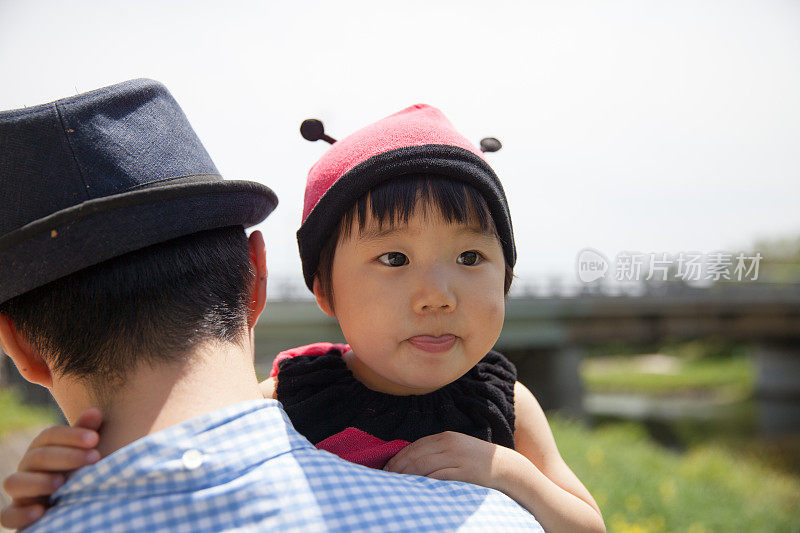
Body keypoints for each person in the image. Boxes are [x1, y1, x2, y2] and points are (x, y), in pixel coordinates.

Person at [5, 102, 603, 531]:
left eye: (471, 257)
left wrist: (508, 474)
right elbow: (201, 455)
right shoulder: (295, 393)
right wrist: (77, 481)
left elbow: (586, 525)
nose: (437, 294)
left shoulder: (504, 404)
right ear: (323, 289)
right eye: (394, 258)